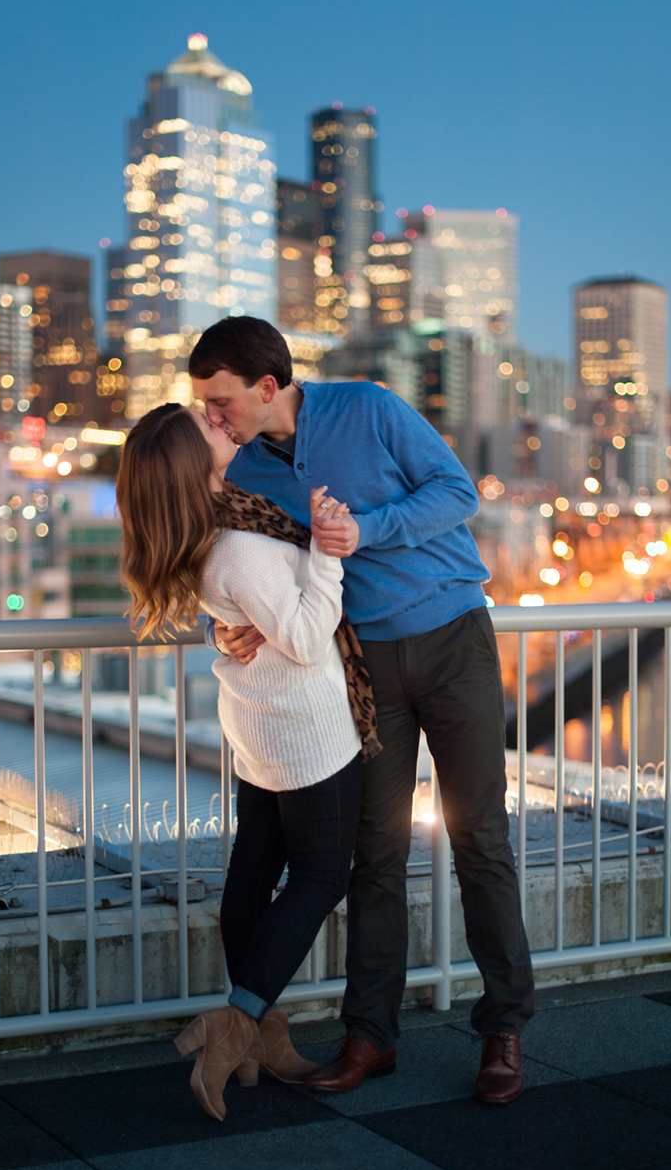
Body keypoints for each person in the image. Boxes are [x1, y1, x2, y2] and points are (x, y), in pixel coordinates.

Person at [189, 315, 535, 1104]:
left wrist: (364, 529)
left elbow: (458, 492)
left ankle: (504, 1030)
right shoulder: (241, 469)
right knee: (374, 851)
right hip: (361, 666)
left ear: (267, 387)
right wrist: (223, 623)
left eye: (221, 401)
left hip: (453, 639)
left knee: (480, 836)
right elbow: (238, 563)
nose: (214, 417)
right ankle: (370, 1035)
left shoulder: (370, 409)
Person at [116, 401, 368, 1122]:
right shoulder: (239, 544)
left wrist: (223, 629)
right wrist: (325, 550)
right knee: (321, 876)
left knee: (254, 872)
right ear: (193, 463)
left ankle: (258, 1032)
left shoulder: (203, 536)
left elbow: (238, 610)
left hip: (257, 727)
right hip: (308, 730)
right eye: (203, 423)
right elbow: (307, 633)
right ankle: (238, 1019)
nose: (214, 417)